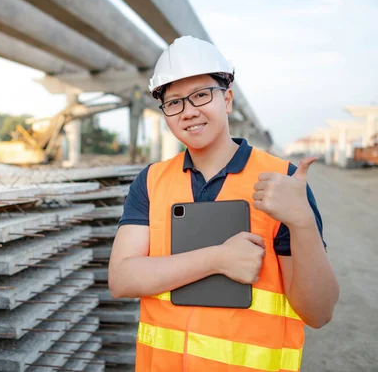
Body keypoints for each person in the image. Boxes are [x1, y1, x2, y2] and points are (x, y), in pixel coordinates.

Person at [108, 36, 339, 372]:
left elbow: (318, 312)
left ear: (227, 99)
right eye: (174, 103)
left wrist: (302, 222)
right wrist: (217, 258)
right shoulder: (151, 181)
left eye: (201, 95)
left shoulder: (281, 179)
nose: (188, 112)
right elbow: (122, 279)